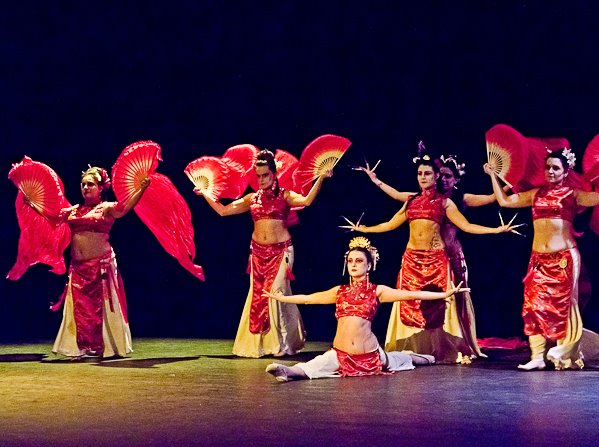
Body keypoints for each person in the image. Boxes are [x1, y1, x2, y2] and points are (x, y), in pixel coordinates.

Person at [343, 146, 520, 363]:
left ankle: (444, 347)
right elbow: (390, 224)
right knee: (409, 303)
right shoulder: (411, 200)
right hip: (411, 259)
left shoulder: (447, 202)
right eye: (420, 173)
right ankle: (413, 346)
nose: (423, 177)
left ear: (436, 176)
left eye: (428, 173)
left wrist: (496, 230)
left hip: (437, 260)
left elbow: (466, 226)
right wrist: (364, 228)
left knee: (440, 305)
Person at [484, 148, 599, 370]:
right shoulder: (535, 194)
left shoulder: (572, 194)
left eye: (556, 168)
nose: (551, 171)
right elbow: (505, 201)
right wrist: (493, 176)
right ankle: (537, 356)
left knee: (563, 306)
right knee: (533, 306)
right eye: (548, 167)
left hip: (564, 257)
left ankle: (562, 354)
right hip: (538, 259)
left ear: (566, 171)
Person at [263, 237, 469, 381]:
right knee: (314, 365)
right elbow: (309, 299)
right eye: (350, 261)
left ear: (369, 265)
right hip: (341, 354)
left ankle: (428, 358)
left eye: (359, 261)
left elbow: (411, 294)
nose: (353, 265)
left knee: (401, 359)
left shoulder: (377, 291)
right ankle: (287, 372)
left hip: (371, 355)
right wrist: (281, 297)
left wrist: (444, 294)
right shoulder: (339, 291)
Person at [196, 149, 331, 358]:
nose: (261, 180)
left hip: (281, 251)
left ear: (274, 173)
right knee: (258, 297)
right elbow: (223, 211)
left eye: (265, 175)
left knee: (276, 293)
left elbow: (306, 201)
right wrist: (205, 193)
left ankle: (280, 345)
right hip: (257, 253)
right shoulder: (252, 199)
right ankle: (260, 345)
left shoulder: (285, 195)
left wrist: (320, 178)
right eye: (258, 176)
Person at [25, 166, 149, 358]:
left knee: (103, 309)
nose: (85, 188)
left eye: (90, 184)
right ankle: (81, 347)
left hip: (101, 266)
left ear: (100, 188)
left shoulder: (106, 208)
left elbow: (125, 208)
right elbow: (53, 217)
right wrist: (32, 203)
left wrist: (141, 189)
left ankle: (107, 347)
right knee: (80, 310)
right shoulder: (74, 210)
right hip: (78, 269)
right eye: (83, 184)